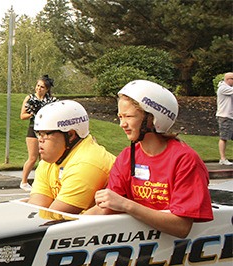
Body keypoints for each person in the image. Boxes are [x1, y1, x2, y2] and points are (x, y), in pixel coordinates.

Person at [87, 80, 213, 238]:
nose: (122, 124)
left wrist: (127, 205)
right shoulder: (127, 157)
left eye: (128, 116)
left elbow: (182, 227)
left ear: (152, 118)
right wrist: (64, 226)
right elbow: (106, 207)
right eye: (120, 117)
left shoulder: (185, 160)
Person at [26, 100, 116, 218]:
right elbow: (37, 209)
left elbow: (54, 217)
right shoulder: (50, 160)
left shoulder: (86, 163)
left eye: (46, 134)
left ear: (71, 135)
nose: (40, 140)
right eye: (38, 133)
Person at [19, 75, 57, 191]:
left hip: (46, 130)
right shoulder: (29, 98)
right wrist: (33, 113)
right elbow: (22, 116)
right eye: (38, 86)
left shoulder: (51, 100)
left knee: (44, 159)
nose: (39, 88)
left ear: (47, 89)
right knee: (32, 157)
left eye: (42, 87)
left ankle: (42, 182)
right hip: (33, 129)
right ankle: (24, 182)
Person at [216, 72, 233, 165]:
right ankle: (222, 159)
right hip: (224, 116)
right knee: (224, 137)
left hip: (229, 116)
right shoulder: (223, 88)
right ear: (228, 79)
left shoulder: (228, 89)